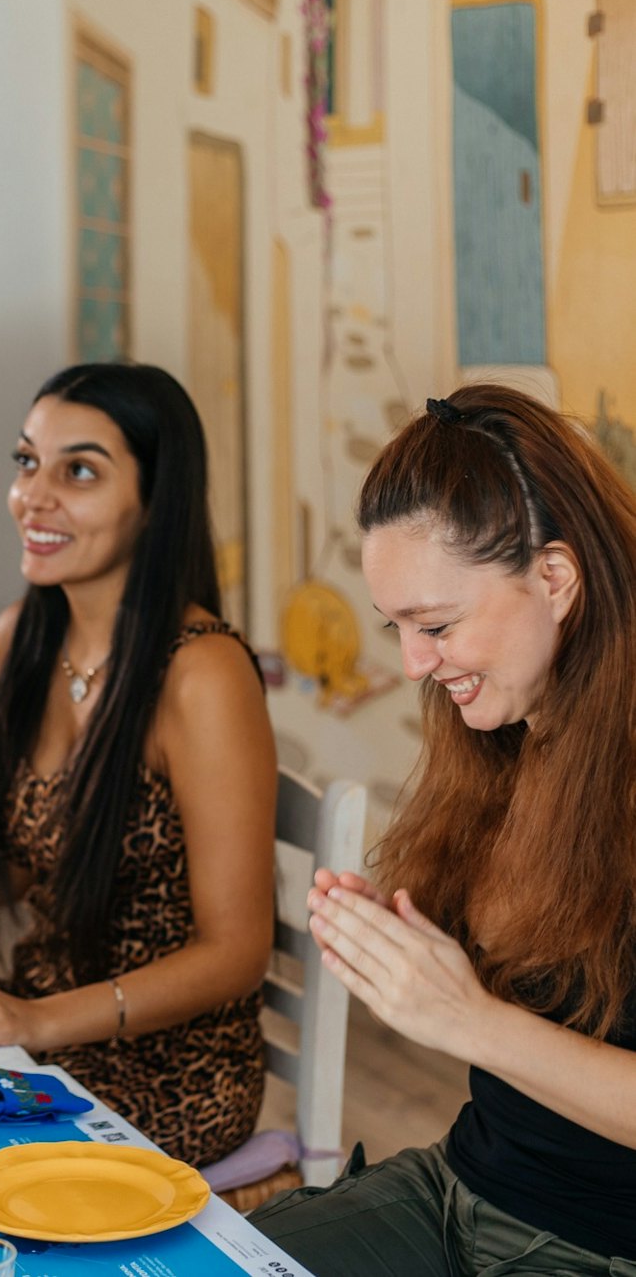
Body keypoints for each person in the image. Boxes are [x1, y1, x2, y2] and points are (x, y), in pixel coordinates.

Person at [249, 384, 636, 1273]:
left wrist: (465, 1017)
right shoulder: (510, 737)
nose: (415, 662)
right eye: (398, 627)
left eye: (437, 625)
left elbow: (487, 1025)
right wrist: (408, 948)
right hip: (461, 1185)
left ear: (555, 579)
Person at [0, 362, 277, 1165]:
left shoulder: (201, 674)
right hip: (40, 1035)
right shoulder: (25, 638)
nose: (33, 496)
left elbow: (237, 954)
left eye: (79, 472)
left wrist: (35, 1020)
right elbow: (30, 861)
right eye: (27, 461)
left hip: (169, 1070)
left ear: (155, 500)